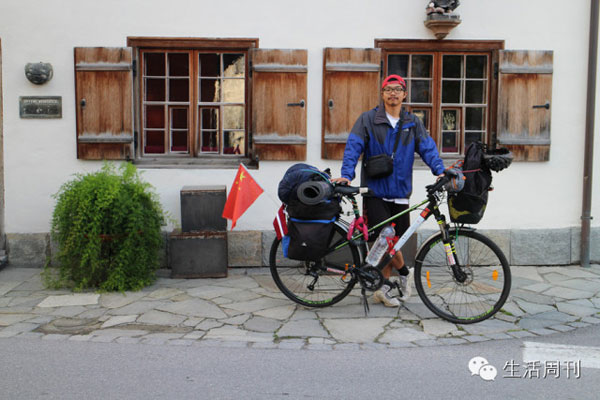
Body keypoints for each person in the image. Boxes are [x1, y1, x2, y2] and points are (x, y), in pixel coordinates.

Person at [332, 74, 445, 307]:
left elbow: (428, 148)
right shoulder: (368, 119)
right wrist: (347, 174)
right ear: (382, 94)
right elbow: (353, 147)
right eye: (388, 89)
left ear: (404, 94)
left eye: (397, 89)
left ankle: (383, 288)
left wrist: (440, 171)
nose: (393, 93)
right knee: (384, 238)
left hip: (401, 193)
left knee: (394, 242)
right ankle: (404, 273)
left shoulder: (413, 122)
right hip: (374, 191)